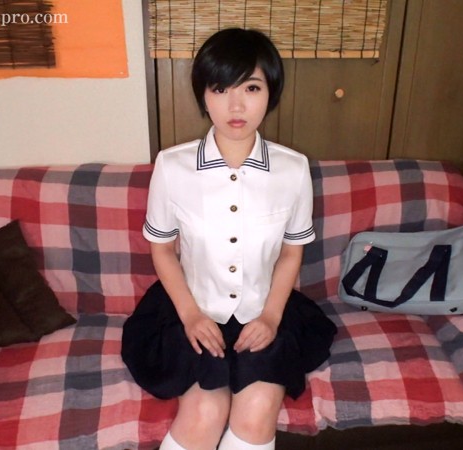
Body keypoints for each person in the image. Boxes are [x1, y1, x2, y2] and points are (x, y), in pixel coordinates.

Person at [121, 28, 336, 450]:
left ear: (271, 93)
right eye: (220, 89)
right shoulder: (172, 167)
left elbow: (291, 252)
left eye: (251, 88)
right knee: (205, 411)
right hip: (191, 308)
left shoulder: (293, 169)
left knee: (257, 412)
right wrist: (191, 316)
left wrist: (271, 317)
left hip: (264, 309)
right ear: (204, 95)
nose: (236, 106)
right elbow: (161, 248)